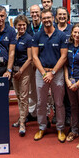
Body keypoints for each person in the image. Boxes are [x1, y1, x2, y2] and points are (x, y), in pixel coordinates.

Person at [32, 9, 68, 141]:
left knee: (59, 103)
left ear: (53, 18)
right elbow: (35, 57)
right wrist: (43, 73)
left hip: (56, 73)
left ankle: (60, 128)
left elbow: (64, 57)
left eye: (48, 17)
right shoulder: (37, 35)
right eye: (44, 18)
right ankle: (42, 127)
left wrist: (52, 73)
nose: (46, 20)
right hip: (41, 73)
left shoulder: (61, 35)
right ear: (41, 20)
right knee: (41, 103)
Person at [11, 15, 34, 136]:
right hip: (14, 71)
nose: (22, 27)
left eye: (24, 25)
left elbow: (30, 58)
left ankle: (22, 124)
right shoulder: (13, 37)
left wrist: (21, 71)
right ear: (15, 25)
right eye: (19, 25)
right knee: (19, 96)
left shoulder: (29, 38)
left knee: (24, 97)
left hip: (24, 70)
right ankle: (21, 118)